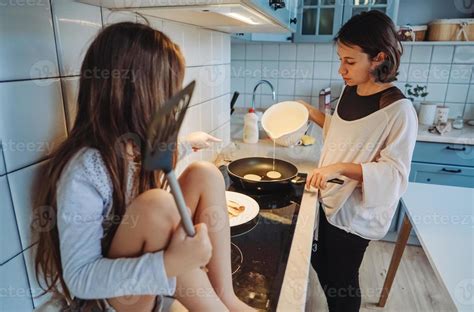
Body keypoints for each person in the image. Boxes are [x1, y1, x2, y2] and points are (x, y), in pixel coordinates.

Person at [33, 22, 253, 312]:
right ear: (134, 94)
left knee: (205, 174)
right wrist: (171, 262)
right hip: (109, 299)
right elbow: (80, 279)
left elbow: (154, 159)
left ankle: (225, 298)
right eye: (166, 92)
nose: (171, 104)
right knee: (157, 204)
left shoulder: (134, 146)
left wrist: (189, 142)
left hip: (148, 277)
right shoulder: (84, 170)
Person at [299, 11, 418, 312]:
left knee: (342, 280)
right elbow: (344, 137)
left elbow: (394, 174)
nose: (342, 69)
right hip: (331, 197)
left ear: (378, 57)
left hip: (355, 214)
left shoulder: (398, 111)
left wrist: (337, 168)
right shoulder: (350, 90)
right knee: (323, 265)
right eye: (340, 59)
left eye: (349, 61)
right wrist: (307, 112)